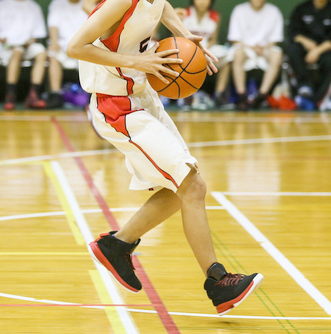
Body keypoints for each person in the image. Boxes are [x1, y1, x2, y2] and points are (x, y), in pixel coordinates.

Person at [67, 0, 263, 315]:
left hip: (142, 97)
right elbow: (76, 47)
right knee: (192, 185)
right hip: (117, 107)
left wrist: (184, 33)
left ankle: (117, 245)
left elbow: (162, 6)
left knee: (182, 188)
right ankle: (218, 281)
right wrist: (136, 61)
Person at [228, 0, 283, 110]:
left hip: (266, 48)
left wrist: (263, 48)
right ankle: (242, 96)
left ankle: (261, 95)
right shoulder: (239, 10)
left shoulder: (274, 11)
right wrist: (252, 47)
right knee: (237, 54)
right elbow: (234, 39)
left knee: (277, 55)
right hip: (245, 48)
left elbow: (275, 39)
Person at [175, 0, 231, 109]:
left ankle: (220, 95)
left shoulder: (215, 16)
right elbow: (176, 36)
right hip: (186, 49)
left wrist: (204, 50)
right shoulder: (184, 13)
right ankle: (186, 96)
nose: (202, 2)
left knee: (227, 59)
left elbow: (213, 40)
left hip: (206, 49)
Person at [0, 0, 47, 111]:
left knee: (41, 52)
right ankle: (10, 95)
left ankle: (34, 95)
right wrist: (2, 39)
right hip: (5, 48)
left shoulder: (34, 7)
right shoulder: (1, 5)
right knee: (17, 51)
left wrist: (28, 42)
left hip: (28, 46)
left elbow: (37, 34)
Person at [287, 0, 331, 110]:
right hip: (305, 48)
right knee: (293, 50)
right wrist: (305, 41)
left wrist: (317, 50)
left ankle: (320, 98)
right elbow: (293, 32)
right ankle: (304, 86)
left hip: (324, 49)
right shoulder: (302, 9)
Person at [46, 0, 88, 109]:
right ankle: (56, 94)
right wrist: (54, 42)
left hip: (84, 46)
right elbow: (53, 26)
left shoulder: (88, 3)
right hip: (62, 46)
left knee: (94, 55)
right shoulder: (57, 4)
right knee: (52, 54)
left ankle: (89, 95)